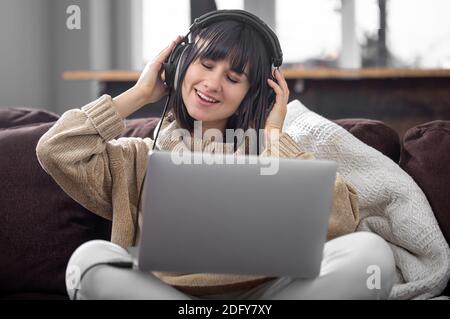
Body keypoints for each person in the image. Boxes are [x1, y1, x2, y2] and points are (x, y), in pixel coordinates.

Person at [36, 10, 395, 300]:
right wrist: (140, 93)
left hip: (264, 298)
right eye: (206, 66)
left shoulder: (272, 157)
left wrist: (273, 136)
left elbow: (344, 220)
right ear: (179, 66)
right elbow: (57, 149)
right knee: (88, 260)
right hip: (165, 295)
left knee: (371, 254)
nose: (212, 84)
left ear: (254, 95)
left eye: (233, 77)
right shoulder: (137, 158)